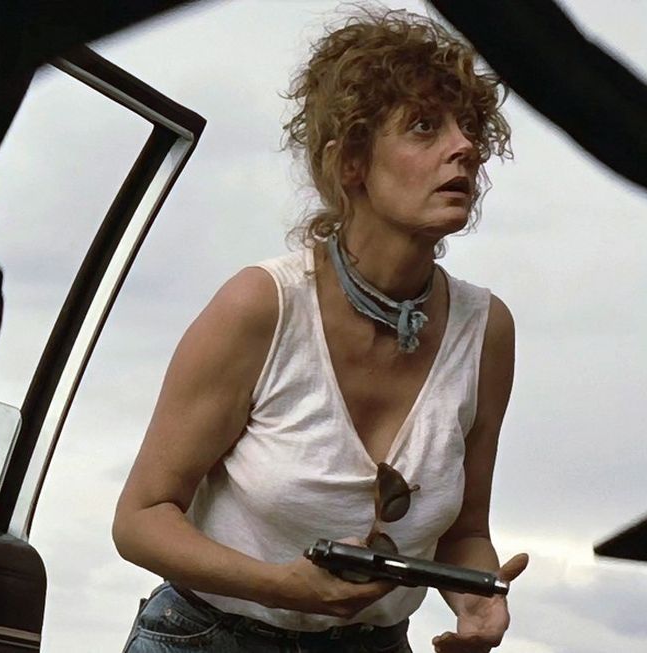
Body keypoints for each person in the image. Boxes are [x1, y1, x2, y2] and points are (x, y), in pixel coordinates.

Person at [113, 7, 525, 652]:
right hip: (208, 637)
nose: (465, 146)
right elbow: (139, 519)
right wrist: (281, 586)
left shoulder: (486, 330)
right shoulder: (262, 306)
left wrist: (477, 597)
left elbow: (466, 530)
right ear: (350, 161)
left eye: (469, 126)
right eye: (425, 126)